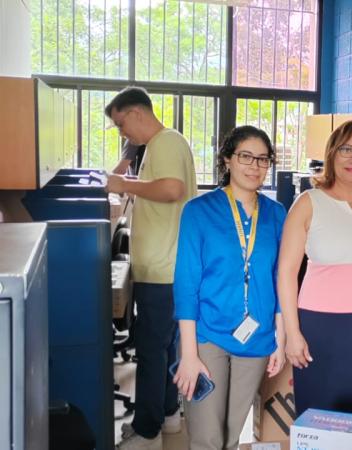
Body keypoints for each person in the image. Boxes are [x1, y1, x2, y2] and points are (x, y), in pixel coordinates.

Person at [172, 126, 286, 450]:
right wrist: (189, 353)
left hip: (259, 335)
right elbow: (186, 284)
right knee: (207, 436)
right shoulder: (198, 211)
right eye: (245, 156)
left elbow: (281, 279)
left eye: (263, 159)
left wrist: (280, 338)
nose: (254, 166)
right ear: (227, 160)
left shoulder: (277, 215)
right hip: (207, 335)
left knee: (233, 435)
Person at [278, 120, 352, 417]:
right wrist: (292, 333)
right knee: (320, 416)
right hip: (318, 327)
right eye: (347, 149)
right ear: (332, 153)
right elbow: (287, 272)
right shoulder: (307, 203)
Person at [105, 86, 197, 450]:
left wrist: (123, 183)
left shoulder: (167, 142)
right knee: (163, 347)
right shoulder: (154, 148)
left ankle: (148, 430)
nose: (121, 132)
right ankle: (169, 416)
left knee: (150, 349)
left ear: (137, 113)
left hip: (164, 268)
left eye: (121, 123)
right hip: (160, 267)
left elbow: (172, 189)